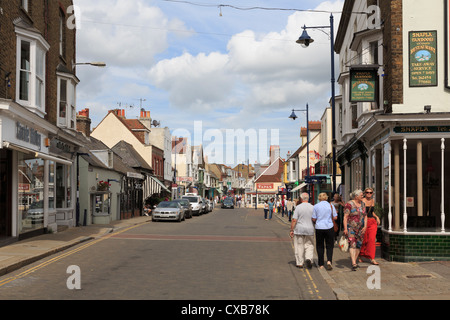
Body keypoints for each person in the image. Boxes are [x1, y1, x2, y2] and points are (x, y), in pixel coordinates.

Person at [312, 193, 337, 270]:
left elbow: (313, 218)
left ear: (319, 198)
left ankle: (321, 264)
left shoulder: (315, 206)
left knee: (320, 246)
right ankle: (329, 261)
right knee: (329, 245)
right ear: (326, 198)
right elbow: (335, 217)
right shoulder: (331, 205)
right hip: (329, 227)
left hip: (319, 227)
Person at [343, 189, 368, 271]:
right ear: (356, 196)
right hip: (351, 227)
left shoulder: (363, 204)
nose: (363, 196)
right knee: (352, 244)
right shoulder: (349, 204)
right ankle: (354, 263)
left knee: (358, 245)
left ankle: (354, 261)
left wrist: (365, 226)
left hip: (361, 228)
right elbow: (345, 217)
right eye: (361, 195)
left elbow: (365, 216)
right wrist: (345, 229)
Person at [289, 193, 315, 269]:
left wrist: (291, 230)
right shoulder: (312, 207)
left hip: (299, 229)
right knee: (309, 245)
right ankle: (308, 258)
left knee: (299, 246)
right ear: (308, 199)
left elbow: (294, 220)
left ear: (301, 199)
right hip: (310, 229)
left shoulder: (298, 207)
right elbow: (314, 219)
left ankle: (300, 262)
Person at [359, 187, 380, 265]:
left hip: (372, 222)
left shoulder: (372, 201)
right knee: (364, 239)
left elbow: (372, 212)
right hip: (364, 222)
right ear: (364, 193)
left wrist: (377, 217)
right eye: (367, 192)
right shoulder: (362, 201)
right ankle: (361, 255)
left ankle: (372, 258)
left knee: (371, 239)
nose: (369, 194)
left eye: (370, 192)